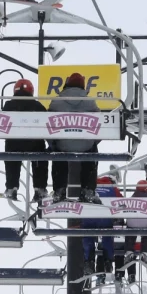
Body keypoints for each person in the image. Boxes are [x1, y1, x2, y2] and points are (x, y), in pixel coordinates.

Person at [49, 73, 101, 202]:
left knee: (57, 153)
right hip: (86, 145)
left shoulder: (56, 102)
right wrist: (93, 142)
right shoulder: (90, 102)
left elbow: (47, 126)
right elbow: (101, 127)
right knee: (91, 153)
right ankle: (88, 190)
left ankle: (59, 190)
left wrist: (53, 144)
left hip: (63, 145)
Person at [1, 79, 48, 201]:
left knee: (11, 154)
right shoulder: (38, 106)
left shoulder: (8, 105)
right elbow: (47, 123)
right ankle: (40, 188)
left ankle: (11, 187)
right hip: (34, 144)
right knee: (41, 155)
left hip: (14, 145)